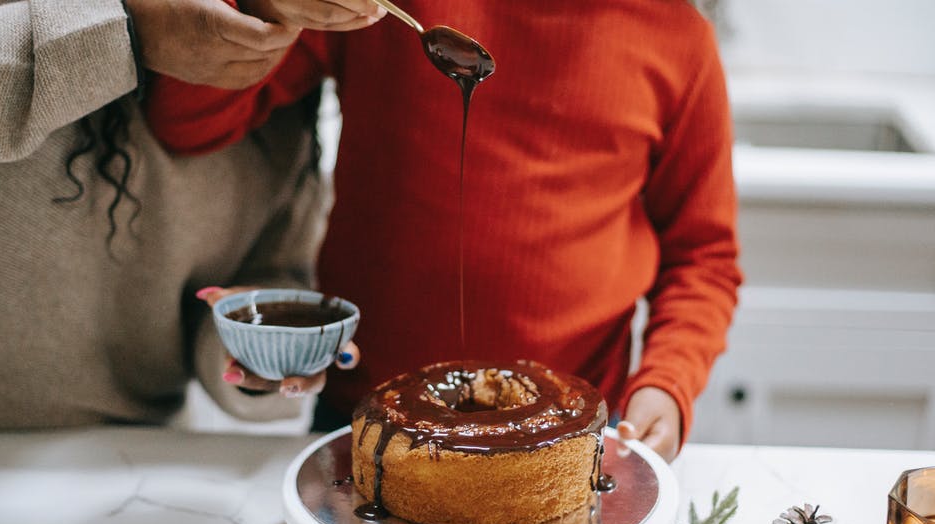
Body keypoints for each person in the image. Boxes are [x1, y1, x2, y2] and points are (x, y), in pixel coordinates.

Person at [146, 0, 742, 460]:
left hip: (574, 433)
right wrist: (263, 9)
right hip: (363, 417)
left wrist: (667, 382)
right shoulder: (380, 11)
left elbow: (705, 258)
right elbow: (187, 119)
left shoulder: (679, 41)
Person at [0, 0, 373, 428]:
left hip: (120, 472)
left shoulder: (288, 40)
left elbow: (260, 265)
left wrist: (251, 347)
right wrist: (122, 31)